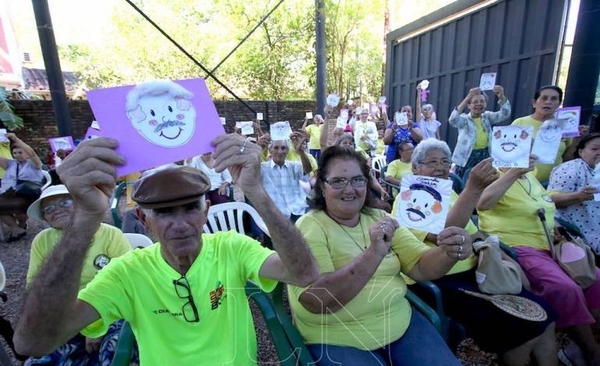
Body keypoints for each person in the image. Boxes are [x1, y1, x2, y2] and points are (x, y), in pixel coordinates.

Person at [14, 136, 319, 365]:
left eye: (190, 208)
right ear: (145, 220)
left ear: (206, 211)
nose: (181, 223)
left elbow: (303, 273)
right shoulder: (128, 272)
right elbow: (33, 341)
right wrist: (84, 221)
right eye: (164, 213)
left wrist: (256, 190)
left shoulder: (231, 247)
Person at [288, 145, 469, 365]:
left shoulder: (379, 216)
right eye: (338, 181)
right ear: (322, 188)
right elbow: (318, 301)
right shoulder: (309, 226)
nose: (349, 189)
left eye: (357, 180)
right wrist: (374, 253)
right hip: (337, 337)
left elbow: (421, 267)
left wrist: (450, 252)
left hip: (399, 323)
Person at [394, 139, 558, 366]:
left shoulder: (448, 192)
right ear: (415, 168)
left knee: (545, 316)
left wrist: (505, 258)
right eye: (432, 162)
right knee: (524, 328)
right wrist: (473, 188)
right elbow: (446, 236)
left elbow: (477, 233)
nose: (440, 167)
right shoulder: (411, 195)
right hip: (443, 281)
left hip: (477, 271)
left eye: (444, 161)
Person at [477, 154, 600, 365]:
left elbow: (545, 204)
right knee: (565, 288)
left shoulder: (531, 177)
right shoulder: (494, 175)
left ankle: (575, 346)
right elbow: (482, 203)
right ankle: (591, 350)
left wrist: (556, 227)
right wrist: (514, 172)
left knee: (597, 279)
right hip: (518, 247)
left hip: (550, 245)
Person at [23, 184, 136, 365]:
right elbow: (35, 288)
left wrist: (93, 327)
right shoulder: (42, 241)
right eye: (49, 209)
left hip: (109, 314)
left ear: (80, 204)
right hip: (62, 318)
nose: (57, 210)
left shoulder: (110, 235)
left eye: (65, 202)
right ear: (45, 218)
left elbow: (127, 283)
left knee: (114, 355)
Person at [512, 85, 589, 183]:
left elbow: (566, 159)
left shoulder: (565, 126)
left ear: (558, 104)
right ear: (534, 103)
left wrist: (577, 139)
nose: (548, 102)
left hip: (553, 182)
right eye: (544, 98)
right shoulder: (519, 123)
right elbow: (509, 155)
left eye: (554, 99)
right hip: (523, 181)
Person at [547, 132, 600, 255]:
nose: (599, 152)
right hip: (578, 229)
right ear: (581, 152)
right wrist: (578, 196)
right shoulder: (571, 168)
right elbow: (550, 199)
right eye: (594, 149)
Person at [448, 85, 511, 179]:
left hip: (485, 155)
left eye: (482, 101)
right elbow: (452, 120)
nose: (479, 104)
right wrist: (468, 98)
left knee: (484, 181)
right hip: (467, 157)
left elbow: (505, 114)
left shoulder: (488, 117)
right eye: (475, 102)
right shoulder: (465, 120)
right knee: (465, 182)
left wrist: (501, 96)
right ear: (469, 105)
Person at [0, 133, 44, 242]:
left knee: (11, 206)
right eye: (15, 153)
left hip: (28, 196)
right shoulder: (10, 164)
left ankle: (19, 228)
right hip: (10, 195)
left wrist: (15, 139)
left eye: (20, 152)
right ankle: (17, 229)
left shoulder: (34, 164)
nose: (17, 155)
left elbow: (32, 153)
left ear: (26, 153)